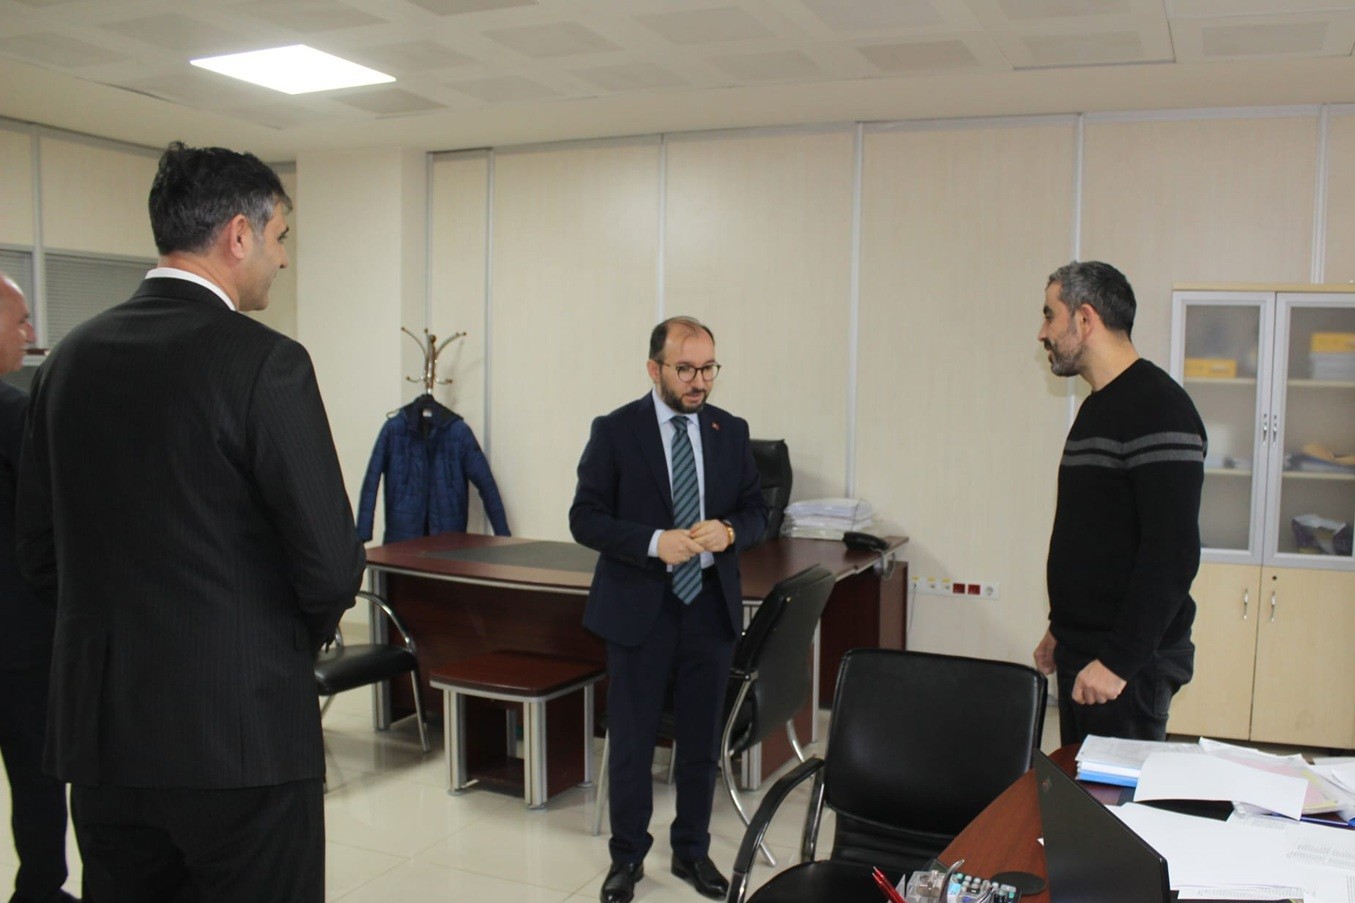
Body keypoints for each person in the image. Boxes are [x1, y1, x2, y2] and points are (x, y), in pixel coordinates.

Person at [14, 143, 365, 902]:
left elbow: (39, 555)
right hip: (240, 741)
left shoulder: (65, 362)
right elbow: (332, 564)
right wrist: (262, 649)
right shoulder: (265, 363)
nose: (282, 259)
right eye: (279, 238)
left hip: (104, 740)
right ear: (239, 235)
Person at [570, 316, 768, 903]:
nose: (698, 381)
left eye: (708, 368)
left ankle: (691, 851)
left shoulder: (729, 431)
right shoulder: (615, 431)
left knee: (701, 742)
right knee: (633, 742)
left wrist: (729, 532)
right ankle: (627, 858)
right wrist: (655, 543)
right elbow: (585, 518)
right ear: (653, 368)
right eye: (685, 369)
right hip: (640, 611)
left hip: (708, 609)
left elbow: (759, 512)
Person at [1032, 260, 1205, 746]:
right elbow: (1096, 535)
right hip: (1087, 650)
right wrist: (1061, 628)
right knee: (1076, 788)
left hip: (1127, 665)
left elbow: (1171, 552)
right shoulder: (1099, 406)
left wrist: (1118, 661)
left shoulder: (1159, 409)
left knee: (1110, 797)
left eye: (1050, 315)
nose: (1042, 333)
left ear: (1085, 318)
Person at [0, 273, 77, 903]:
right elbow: (59, 512)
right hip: (19, 640)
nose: (30, 333)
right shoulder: (14, 414)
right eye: (21, 320)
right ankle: (40, 892)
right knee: (37, 777)